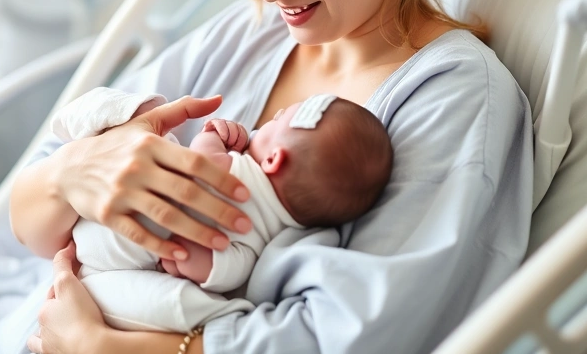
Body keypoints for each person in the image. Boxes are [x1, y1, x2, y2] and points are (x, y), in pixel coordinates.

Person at [11, 0, 533, 354]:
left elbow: (360, 333)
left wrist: (104, 349)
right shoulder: (249, 34)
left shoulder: (451, 95)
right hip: (26, 318)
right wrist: (73, 172)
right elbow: (28, 225)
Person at [47, 87, 392, 333]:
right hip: (113, 268)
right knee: (184, 305)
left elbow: (198, 160)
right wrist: (191, 260)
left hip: (105, 228)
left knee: (144, 120)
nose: (268, 120)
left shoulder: (235, 172)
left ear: (273, 159)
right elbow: (232, 269)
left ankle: (81, 121)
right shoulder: (270, 235)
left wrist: (215, 135)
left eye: (277, 122)